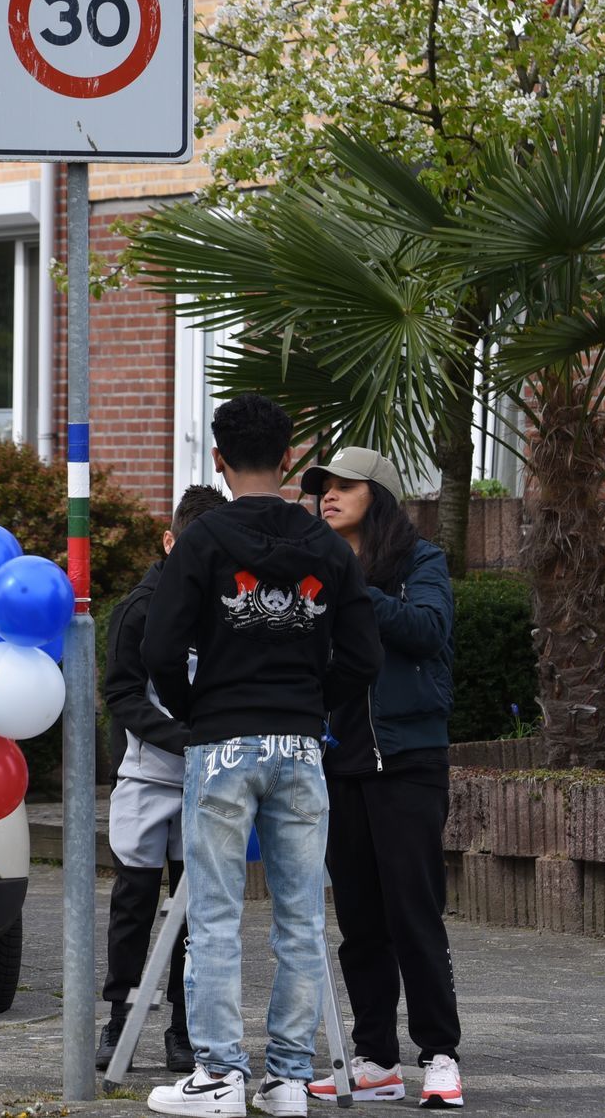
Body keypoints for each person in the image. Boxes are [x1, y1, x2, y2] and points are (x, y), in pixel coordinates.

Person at [140, 394, 383, 1118]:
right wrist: (311, 705)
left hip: (221, 742)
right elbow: (364, 656)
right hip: (300, 745)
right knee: (301, 920)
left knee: (215, 916)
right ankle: (287, 1081)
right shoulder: (328, 549)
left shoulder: (202, 541)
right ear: (288, 458)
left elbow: (159, 648)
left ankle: (218, 1076)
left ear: (217, 458)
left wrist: (197, 711)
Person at [302, 446, 464, 1110]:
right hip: (340, 760)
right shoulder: (314, 570)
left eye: (345, 485)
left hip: (408, 760)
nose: (328, 495)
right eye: (323, 486)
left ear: (380, 496)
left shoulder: (420, 562)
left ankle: (440, 1056)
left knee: (412, 913)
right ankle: (375, 1059)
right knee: (360, 921)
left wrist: (356, 592)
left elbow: (428, 630)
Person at [97, 483, 229, 1074]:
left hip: (208, 783)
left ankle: (183, 1027)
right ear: (169, 541)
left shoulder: (225, 607)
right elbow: (122, 695)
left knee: (194, 914)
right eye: (191, 548)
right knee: (134, 906)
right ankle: (120, 1019)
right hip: (148, 780)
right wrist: (182, 737)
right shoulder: (139, 609)